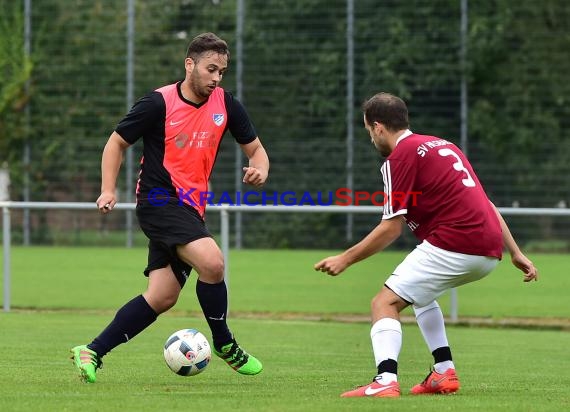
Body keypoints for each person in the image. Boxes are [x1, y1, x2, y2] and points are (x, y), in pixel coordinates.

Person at [71, 32, 269, 383]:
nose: (216, 77)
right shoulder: (158, 102)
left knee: (162, 296)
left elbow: (256, 149)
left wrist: (260, 169)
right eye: (210, 69)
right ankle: (224, 344)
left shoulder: (226, 104)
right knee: (213, 262)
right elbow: (116, 143)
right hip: (158, 201)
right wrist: (107, 189)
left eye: (222, 71)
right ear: (189, 64)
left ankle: (92, 351)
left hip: (191, 209)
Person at [314, 92, 538, 398]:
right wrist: (515, 251)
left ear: (378, 127)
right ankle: (443, 371)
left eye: (368, 131)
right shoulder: (444, 145)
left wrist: (346, 259)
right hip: (488, 249)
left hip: (455, 241)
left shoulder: (399, 158)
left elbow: (391, 228)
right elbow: (485, 202)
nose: (371, 137)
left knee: (385, 303)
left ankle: (384, 381)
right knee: (420, 295)